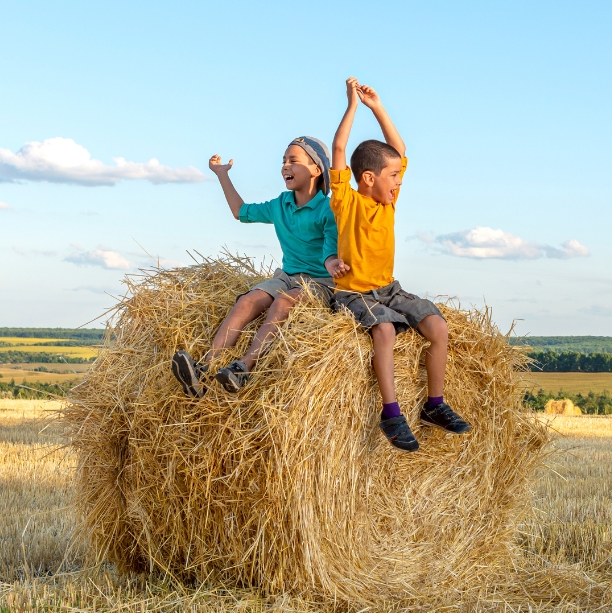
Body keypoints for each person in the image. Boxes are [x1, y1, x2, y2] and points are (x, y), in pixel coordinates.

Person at [329, 78, 470, 452]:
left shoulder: (388, 203)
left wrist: (378, 107)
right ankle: (391, 413)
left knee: (437, 326)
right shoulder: (346, 202)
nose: (398, 181)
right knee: (387, 332)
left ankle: (434, 405)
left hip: (389, 288)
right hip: (353, 292)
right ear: (368, 179)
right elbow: (340, 147)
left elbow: (400, 150)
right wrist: (353, 106)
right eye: (393, 176)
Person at [171, 136, 349, 397]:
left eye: (293, 161)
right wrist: (222, 175)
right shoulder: (280, 204)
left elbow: (330, 252)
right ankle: (203, 368)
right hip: (286, 275)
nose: (285, 166)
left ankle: (243, 367)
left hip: (319, 282)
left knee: (283, 303)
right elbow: (240, 212)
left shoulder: (328, 208)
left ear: (316, 169)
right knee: (247, 301)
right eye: (283, 161)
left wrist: (335, 265)